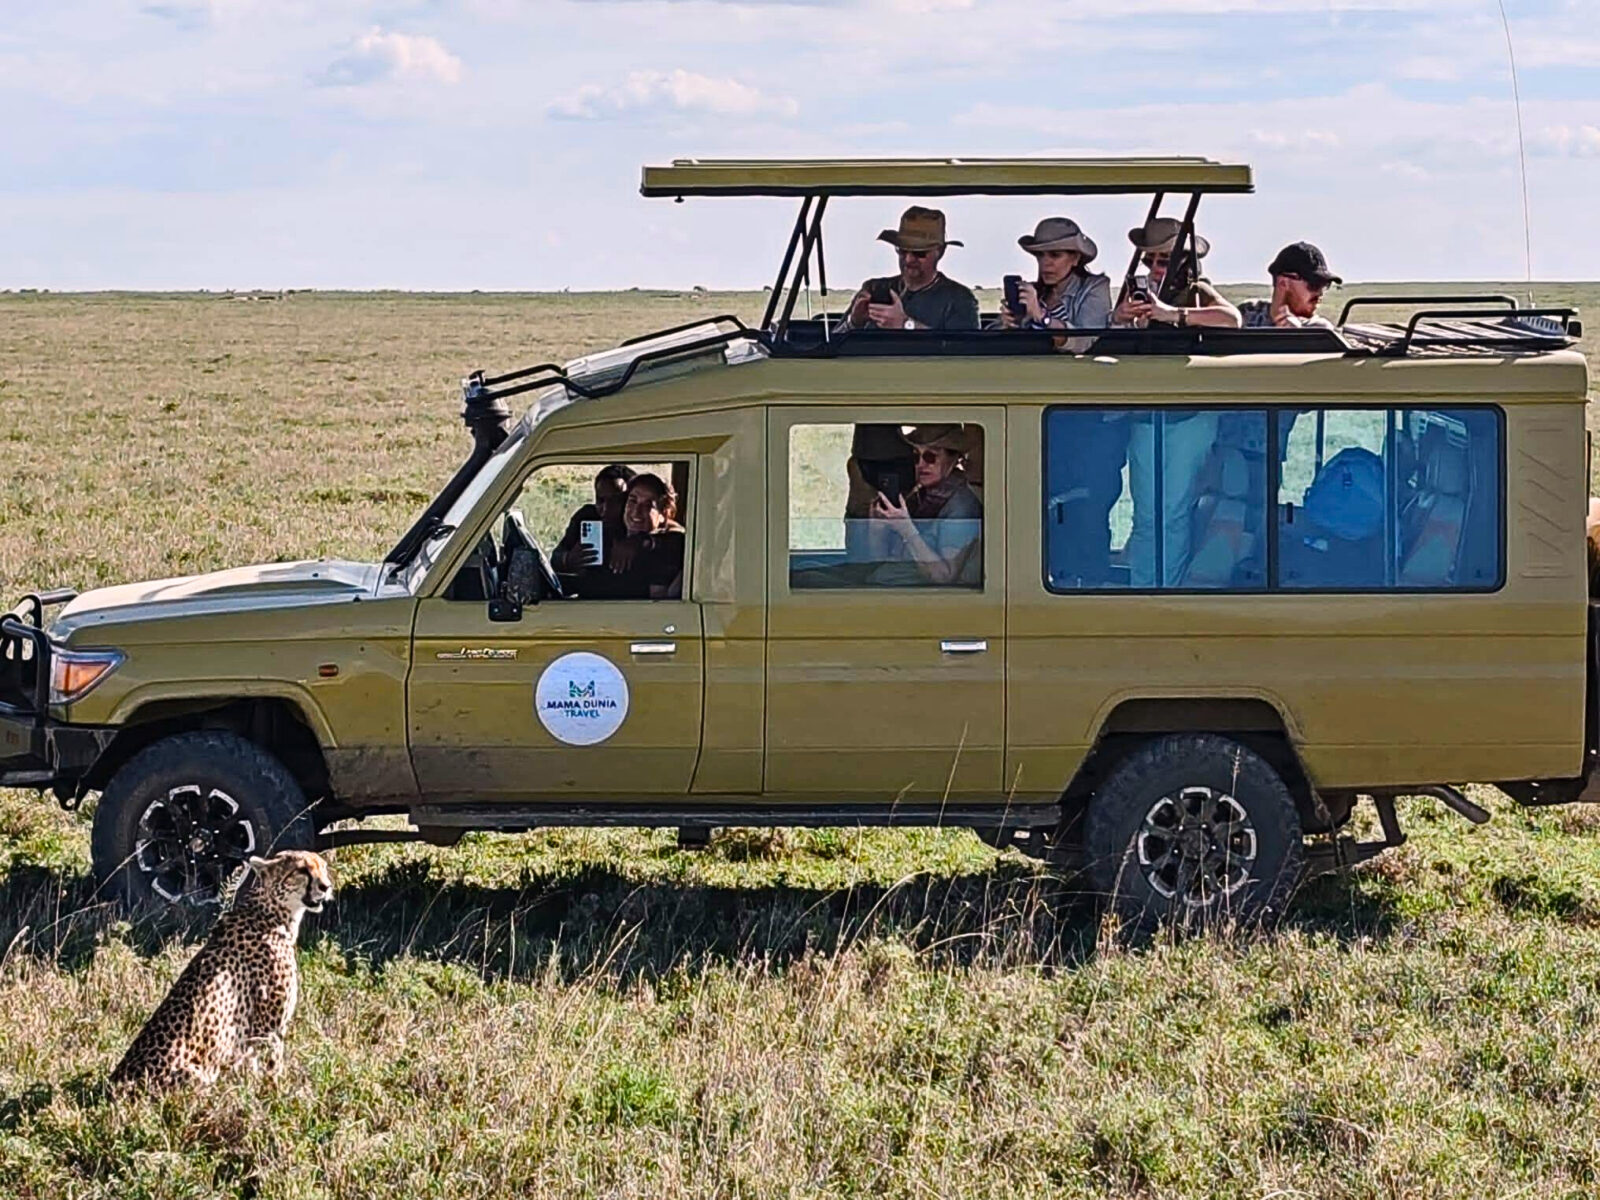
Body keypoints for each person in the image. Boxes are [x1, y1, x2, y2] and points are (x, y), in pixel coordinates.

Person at [866, 424, 983, 586]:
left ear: (953, 459)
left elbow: (944, 576)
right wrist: (876, 528)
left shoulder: (961, 505)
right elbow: (878, 561)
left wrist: (907, 529)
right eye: (916, 457)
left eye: (930, 457)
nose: (920, 464)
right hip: (883, 584)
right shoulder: (917, 496)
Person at [838, 207, 979, 333]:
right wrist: (854, 323)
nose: (908, 260)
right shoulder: (874, 289)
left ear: (940, 252)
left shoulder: (960, 299)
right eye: (902, 251)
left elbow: (964, 354)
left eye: (919, 253)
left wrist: (905, 324)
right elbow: (830, 344)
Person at [1112, 217, 1241, 330]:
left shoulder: (1194, 289)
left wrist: (1172, 314)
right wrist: (1119, 318)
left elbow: (1233, 319)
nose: (1154, 267)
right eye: (1149, 261)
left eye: (1163, 261)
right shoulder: (1147, 291)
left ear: (1183, 261)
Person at [998, 217, 1113, 337]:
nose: (1045, 262)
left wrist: (1042, 317)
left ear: (1075, 259)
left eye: (1055, 255)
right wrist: (1007, 324)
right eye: (1040, 255)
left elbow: (1085, 340)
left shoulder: (1094, 288)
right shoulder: (1032, 294)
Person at [605, 473, 686, 599]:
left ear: (663, 514)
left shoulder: (664, 551)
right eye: (632, 501)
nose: (637, 511)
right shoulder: (611, 533)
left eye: (648, 505)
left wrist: (643, 541)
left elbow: (680, 537)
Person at [550, 463, 636, 574]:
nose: (605, 509)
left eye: (615, 502)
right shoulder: (587, 516)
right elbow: (555, 558)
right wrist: (568, 560)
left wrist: (638, 542)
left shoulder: (638, 520)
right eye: (600, 500)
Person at [1238, 242, 1342, 329]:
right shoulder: (1248, 313)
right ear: (1283, 282)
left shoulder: (1320, 330)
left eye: (1325, 285)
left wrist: (1297, 337)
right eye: (1314, 284)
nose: (1320, 293)